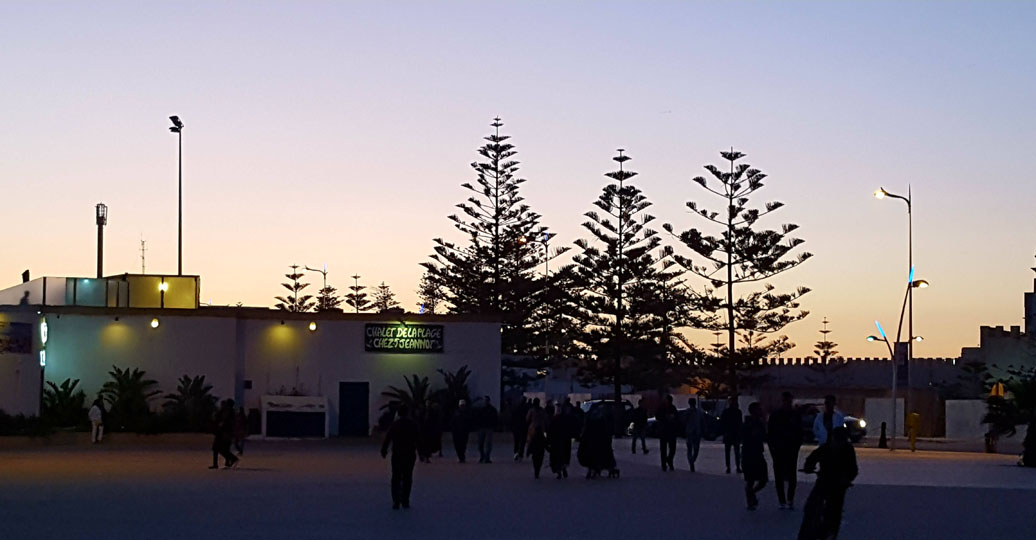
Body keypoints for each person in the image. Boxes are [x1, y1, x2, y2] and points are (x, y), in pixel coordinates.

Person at [798, 427, 858, 540]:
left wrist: (847, 478)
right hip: (824, 481)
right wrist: (808, 466)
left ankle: (830, 532)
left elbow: (853, 469)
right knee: (811, 507)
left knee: (834, 510)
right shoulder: (826, 448)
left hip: (838, 485)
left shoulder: (847, 450)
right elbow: (812, 458)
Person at [768, 391, 803, 509]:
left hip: (791, 449)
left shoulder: (794, 415)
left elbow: (799, 432)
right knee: (779, 475)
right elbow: (770, 433)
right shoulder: (776, 415)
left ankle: (789, 499)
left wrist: (797, 445)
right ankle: (783, 500)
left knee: (791, 475)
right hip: (779, 449)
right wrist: (772, 447)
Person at [381, 404, 420, 510]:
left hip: (397, 454)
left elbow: (388, 438)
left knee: (396, 477)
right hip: (409, 454)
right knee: (407, 477)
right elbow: (418, 440)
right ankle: (405, 499)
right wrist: (421, 453)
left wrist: (384, 450)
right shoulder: (413, 425)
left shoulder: (395, 424)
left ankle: (396, 501)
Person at [741, 402, 768, 510]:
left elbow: (764, 436)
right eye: (759, 409)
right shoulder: (747, 424)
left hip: (757, 453)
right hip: (749, 454)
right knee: (751, 480)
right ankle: (750, 498)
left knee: (763, 479)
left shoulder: (760, 423)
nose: (761, 411)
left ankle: (751, 494)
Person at [548, 402, 574, 479]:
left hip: (556, 441)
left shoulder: (554, 420)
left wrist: (549, 440)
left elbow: (550, 430)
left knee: (557, 456)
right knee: (564, 455)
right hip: (564, 440)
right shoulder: (566, 419)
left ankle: (559, 471)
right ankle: (563, 468)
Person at [210, 400, 239, 470]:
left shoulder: (227, 412)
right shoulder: (228, 412)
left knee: (220, 449)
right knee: (222, 449)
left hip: (223, 433)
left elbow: (224, 423)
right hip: (223, 433)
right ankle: (227, 462)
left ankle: (232, 459)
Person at [526, 398, 549, 478]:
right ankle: (537, 469)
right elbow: (546, 420)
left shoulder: (531, 411)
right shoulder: (542, 411)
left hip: (533, 429)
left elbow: (527, 419)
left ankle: (529, 452)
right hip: (541, 430)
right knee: (540, 449)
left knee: (531, 442)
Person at [720, 396, 743, 474]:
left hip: (728, 434)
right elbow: (740, 424)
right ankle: (737, 467)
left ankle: (728, 467)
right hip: (735, 434)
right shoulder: (738, 412)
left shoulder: (726, 412)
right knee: (736, 452)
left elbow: (722, 422)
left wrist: (724, 431)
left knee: (728, 452)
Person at [657, 395, 679, 471]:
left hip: (671, 430)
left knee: (672, 448)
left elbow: (677, 417)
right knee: (663, 449)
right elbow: (658, 417)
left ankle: (669, 460)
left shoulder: (673, 408)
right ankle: (664, 464)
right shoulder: (661, 408)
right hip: (664, 430)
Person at [476, 396, 498, 464]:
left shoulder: (492, 410)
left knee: (488, 443)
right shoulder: (481, 409)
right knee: (480, 444)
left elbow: (495, 419)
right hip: (482, 428)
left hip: (489, 428)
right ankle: (483, 456)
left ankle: (486, 457)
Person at [685, 397, 704, 472]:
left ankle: (691, 461)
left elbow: (702, 421)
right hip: (692, 432)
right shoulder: (690, 412)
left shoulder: (698, 412)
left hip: (694, 432)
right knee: (693, 449)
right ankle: (691, 461)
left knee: (693, 449)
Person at [510, 397, 530, 462]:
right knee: (523, 442)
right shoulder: (527, 409)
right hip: (524, 427)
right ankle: (521, 454)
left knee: (516, 441)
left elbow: (512, 418)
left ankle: (516, 453)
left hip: (516, 427)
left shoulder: (516, 408)